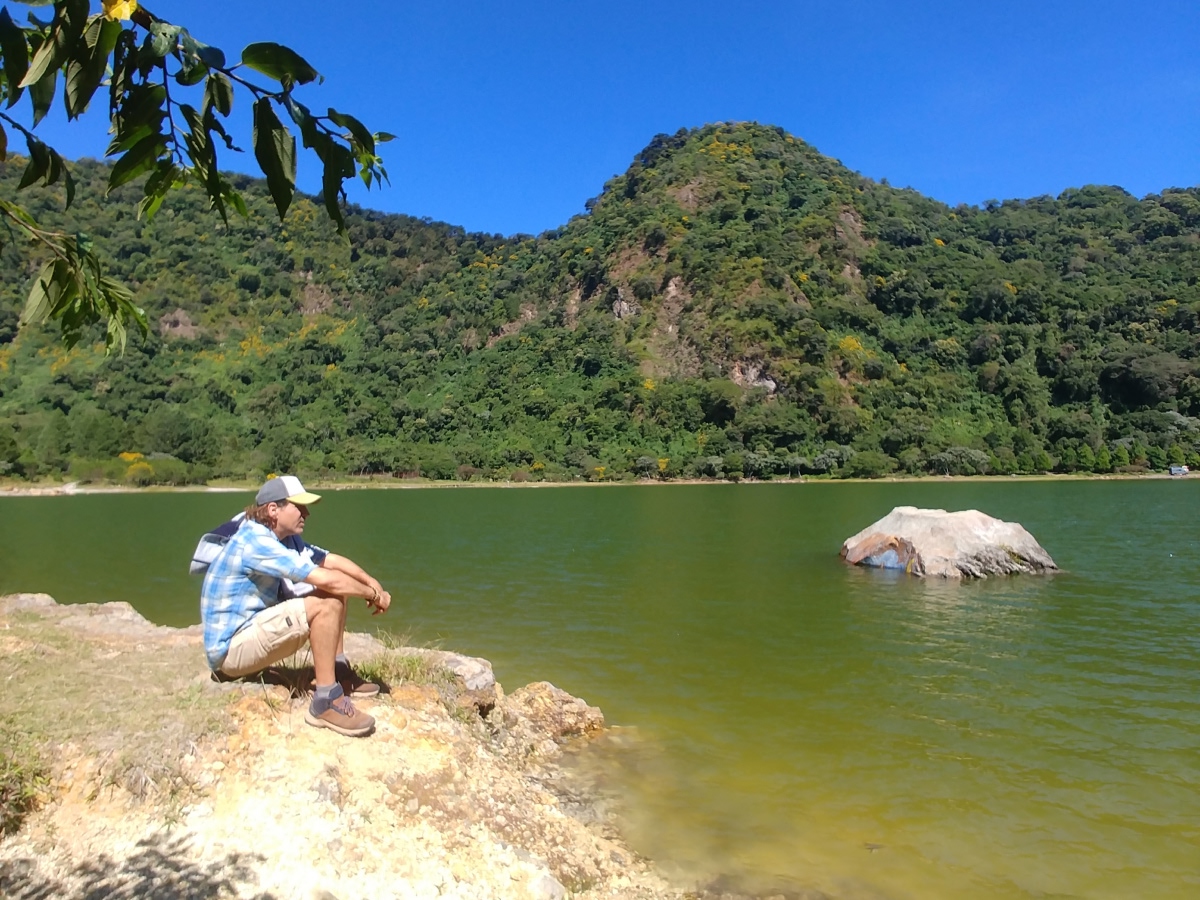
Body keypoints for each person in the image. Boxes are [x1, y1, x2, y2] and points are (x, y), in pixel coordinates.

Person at [200, 475, 392, 737]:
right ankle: (326, 701)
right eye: (299, 507)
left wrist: (372, 583)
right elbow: (326, 578)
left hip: (244, 638)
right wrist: (371, 594)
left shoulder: (280, 537)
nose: (307, 513)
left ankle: (337, 670)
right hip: (229, 655)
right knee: (325, 602)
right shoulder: (257, 542)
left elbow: (328, 561)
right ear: (273, 509)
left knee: (331, 592)